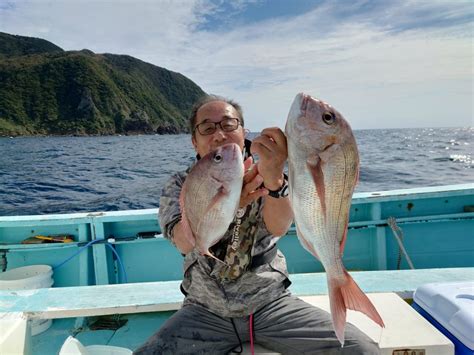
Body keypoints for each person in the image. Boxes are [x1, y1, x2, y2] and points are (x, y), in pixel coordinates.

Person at [134, 95, 378, 354]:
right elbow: (182, 242)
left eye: (229, 124)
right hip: (203, 310)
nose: (219, 135)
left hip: (270, 304)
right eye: (207, 128)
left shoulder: (267, 172)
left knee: (361, 349)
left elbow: (278, 227)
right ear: (194, 141)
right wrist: (225, 205)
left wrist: (274, 180)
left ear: (243, 131)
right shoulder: (181, 185)